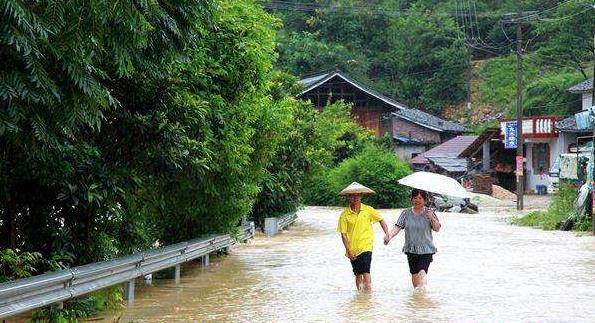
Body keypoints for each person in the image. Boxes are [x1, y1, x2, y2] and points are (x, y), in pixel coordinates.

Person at [337, 182, 390, 291]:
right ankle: (360, 296)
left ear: (361, 196)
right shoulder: (344, 215)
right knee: (358, 274)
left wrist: (387, 233)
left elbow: (381, 220)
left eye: (358, 195)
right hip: (352, 248)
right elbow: (343, 234)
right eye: (352, 195)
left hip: (366, 245)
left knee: (366, 271)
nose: (355, 197)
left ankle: (368, 295)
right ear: (349, 197)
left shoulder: (368, 210)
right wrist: (349, 250)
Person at [385, 189, 441, 288]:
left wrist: (432, 218)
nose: (417, 200)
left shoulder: (429, 212)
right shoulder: (406, 213)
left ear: (424, 200)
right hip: (411, 249)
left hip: (426, 249)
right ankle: (417, 299)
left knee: (422, 271)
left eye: (420, 198)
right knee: (414, 274)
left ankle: (422, 292)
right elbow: (398, 226)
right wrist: (389, 236)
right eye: (415, 198)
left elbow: (437, 229)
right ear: (411, 199)